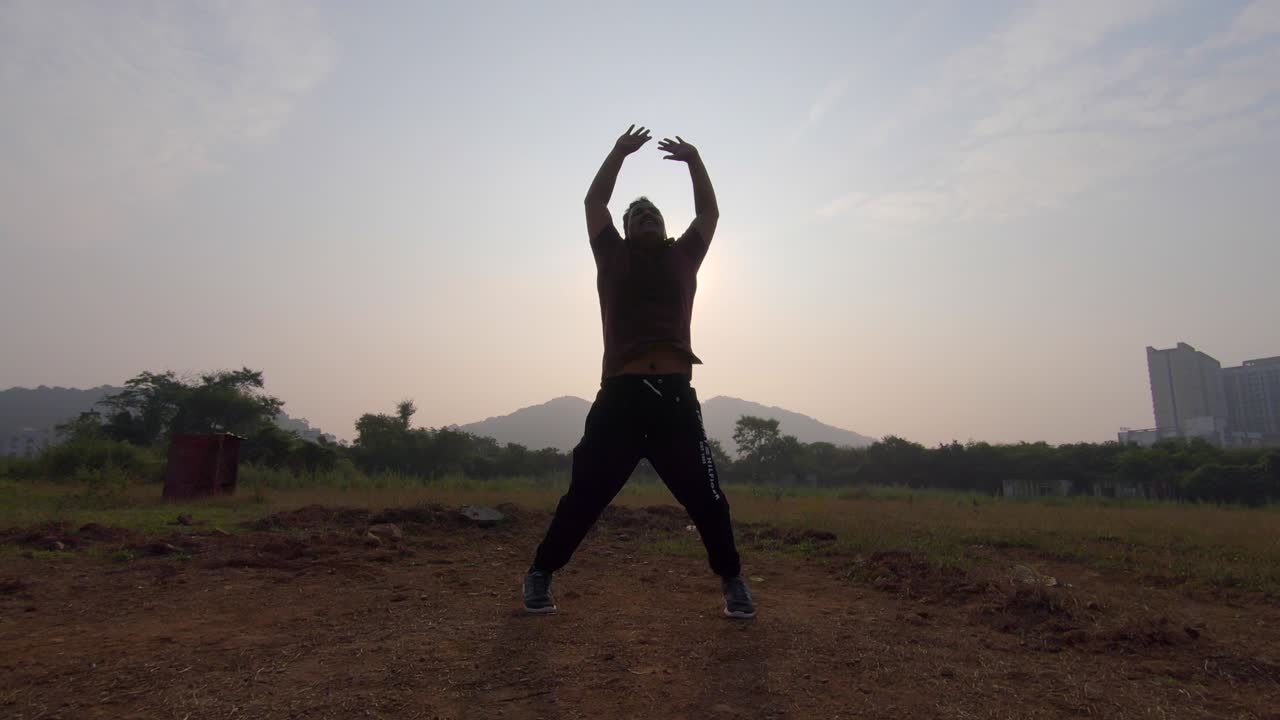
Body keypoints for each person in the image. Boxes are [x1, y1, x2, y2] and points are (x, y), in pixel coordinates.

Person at [522, 125, 754, 619]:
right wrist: (617, 153)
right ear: (625, 230)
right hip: (621, 399)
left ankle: (733, 581)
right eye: (636, 215)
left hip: (674, 399)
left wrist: (695, 160)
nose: (644, 216)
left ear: (663, 227)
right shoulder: (612, 256)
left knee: (709, 500)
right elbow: (594, 204)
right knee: (585, 496)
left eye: (652, 213)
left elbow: (709, 214)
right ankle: (541, 573)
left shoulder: (682, 257)